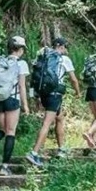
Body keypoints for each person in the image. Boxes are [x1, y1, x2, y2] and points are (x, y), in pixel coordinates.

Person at [0, 35, 30, 175]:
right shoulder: (21, 64)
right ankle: (4, 167)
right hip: (12, 99)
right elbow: (22, 86)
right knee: (10, 132)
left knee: (2, 129)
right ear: (20, 49)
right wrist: (25, 105)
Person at [26, 36, 80, 166]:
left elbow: (35, 77)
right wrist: (78, 92)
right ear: (61, 46)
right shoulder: (64, 59)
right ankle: (34, 153)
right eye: (66, 46)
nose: (67, 49)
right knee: (47, 123)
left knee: (60, 118)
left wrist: (35, 95)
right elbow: (73, 79)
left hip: (45, 94)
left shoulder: (44, 57)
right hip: (55, 94)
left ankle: (62, 149)